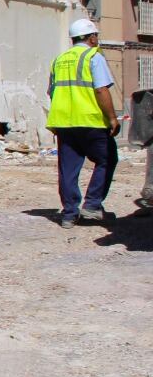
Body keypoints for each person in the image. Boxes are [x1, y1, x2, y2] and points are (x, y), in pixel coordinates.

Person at [47, 18, 118, 227]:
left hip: (64, 122)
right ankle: (92, 205)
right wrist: (112, 118)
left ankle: (69, 214)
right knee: (107, 159)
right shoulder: (93, 56)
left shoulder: (59, 60)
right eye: (96, 35)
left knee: (68, 169)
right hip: (90, 120)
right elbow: (101, 90)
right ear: (91, 37)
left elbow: (51, 91)